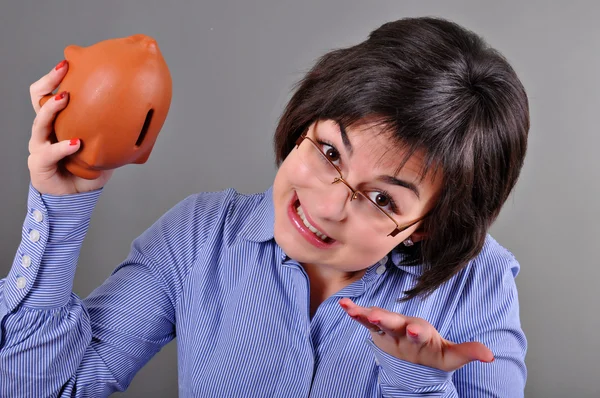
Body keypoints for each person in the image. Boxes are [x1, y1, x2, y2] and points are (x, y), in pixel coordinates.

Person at [0, 16, 529, 397]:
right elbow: (46, 387)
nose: (325, 206)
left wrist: (419, 384)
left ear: (426, 226)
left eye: (382, 198)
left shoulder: (478, 285)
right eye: (328, 152)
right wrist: (61, 206)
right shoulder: (199, 237)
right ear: (305, 123)